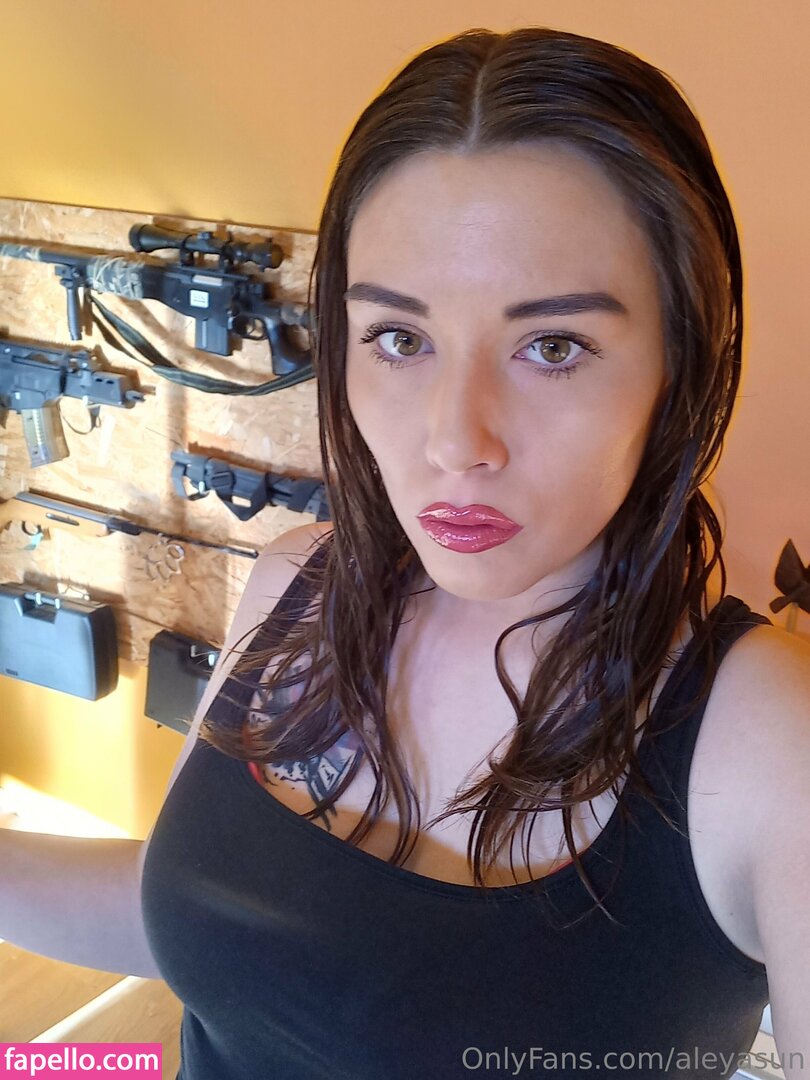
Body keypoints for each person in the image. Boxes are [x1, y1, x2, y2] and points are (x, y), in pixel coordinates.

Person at [3, 25, 808, 1080]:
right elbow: (209, 925)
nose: (454, 442)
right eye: (400, 338)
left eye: (553, 347)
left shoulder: (768, 742)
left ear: (681, 365)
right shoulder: (296, 584)